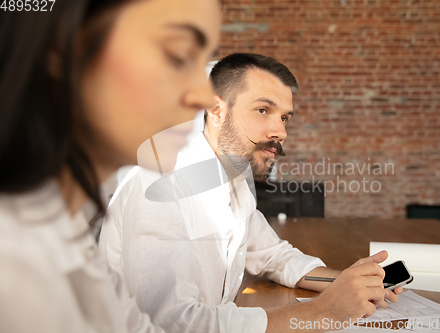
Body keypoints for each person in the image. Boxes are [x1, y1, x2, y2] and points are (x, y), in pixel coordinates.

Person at [100, 53, 402, 333]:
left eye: (284, 117)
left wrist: (347, 284)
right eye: (263, 110)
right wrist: (323, 312)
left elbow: (274, 257)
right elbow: (169, 322)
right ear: (216, 111)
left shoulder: (233, 180)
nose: (280, 131)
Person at [0, 0, 220, 332]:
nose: (204, 97)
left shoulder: (73, 239)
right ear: (63, 41)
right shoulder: (15, 271)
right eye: (179, 55)